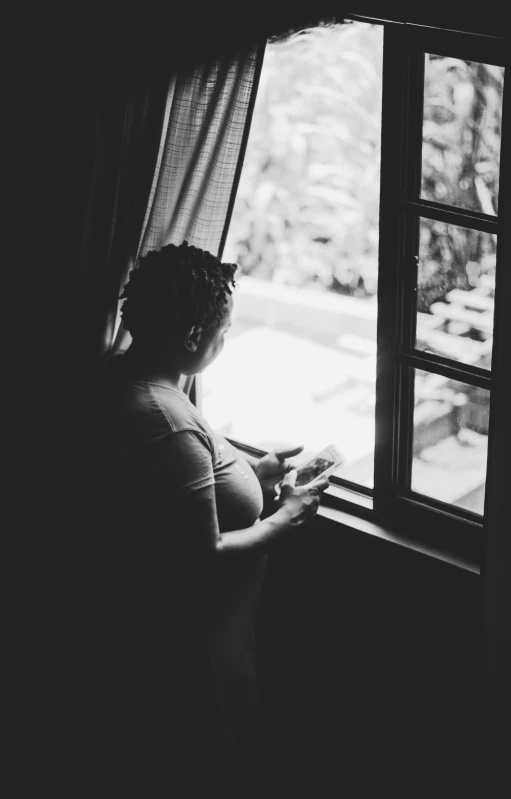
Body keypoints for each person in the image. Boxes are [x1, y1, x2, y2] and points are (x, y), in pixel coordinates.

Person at [93, 241, 329, 793]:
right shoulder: (161, 417)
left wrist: (256, 472)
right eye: (224, 328)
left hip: (202, 634)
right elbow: (204, 554)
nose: (226, 339)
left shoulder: (135, 382)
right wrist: (284, 518)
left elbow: (177, 491)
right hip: (194, 645)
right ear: (195, 336)